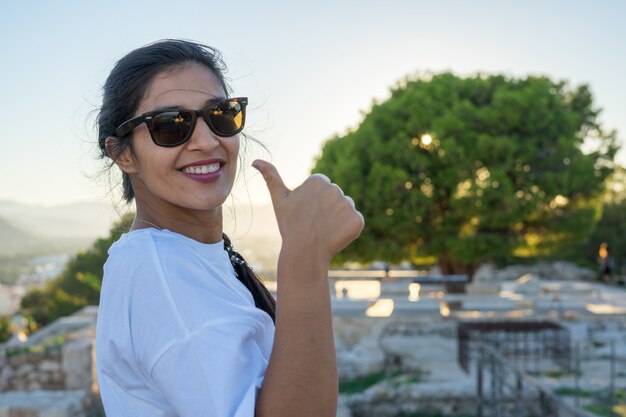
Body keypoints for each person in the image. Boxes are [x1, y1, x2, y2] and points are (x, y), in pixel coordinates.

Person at [94, 39, 364, 417]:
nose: (206, 141)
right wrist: (305, 258)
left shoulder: (188, 257)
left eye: (221, 115)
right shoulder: (159, 271)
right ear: (123, 154)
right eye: (171, 126)